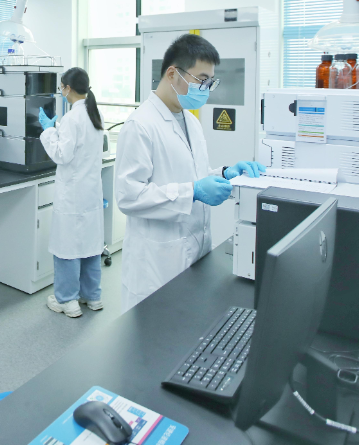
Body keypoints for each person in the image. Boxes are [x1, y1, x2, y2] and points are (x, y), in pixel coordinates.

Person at [114, 34, 266, 312]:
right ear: (173, 74)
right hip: (157, 265)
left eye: (210, 82)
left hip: (196, 252)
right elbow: (129, 197)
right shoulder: (140, 125)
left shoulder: (190, 121)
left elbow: (194, 174)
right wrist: (192, 192)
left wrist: (225, 173)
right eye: (202, 80)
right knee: (157, 332)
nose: (206, 89)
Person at [37, 68, 106, 318]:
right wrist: (57, 127)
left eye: (61, 87)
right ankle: (92, 296)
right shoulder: (95, 114)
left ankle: (67, 301)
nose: (61, 91)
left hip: (72, 195)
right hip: (90, 193)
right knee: (90, 246)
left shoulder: (72, 118)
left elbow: (62, 154)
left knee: (66, 247)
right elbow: (78, 142)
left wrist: (47, 131)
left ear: (67, 88)